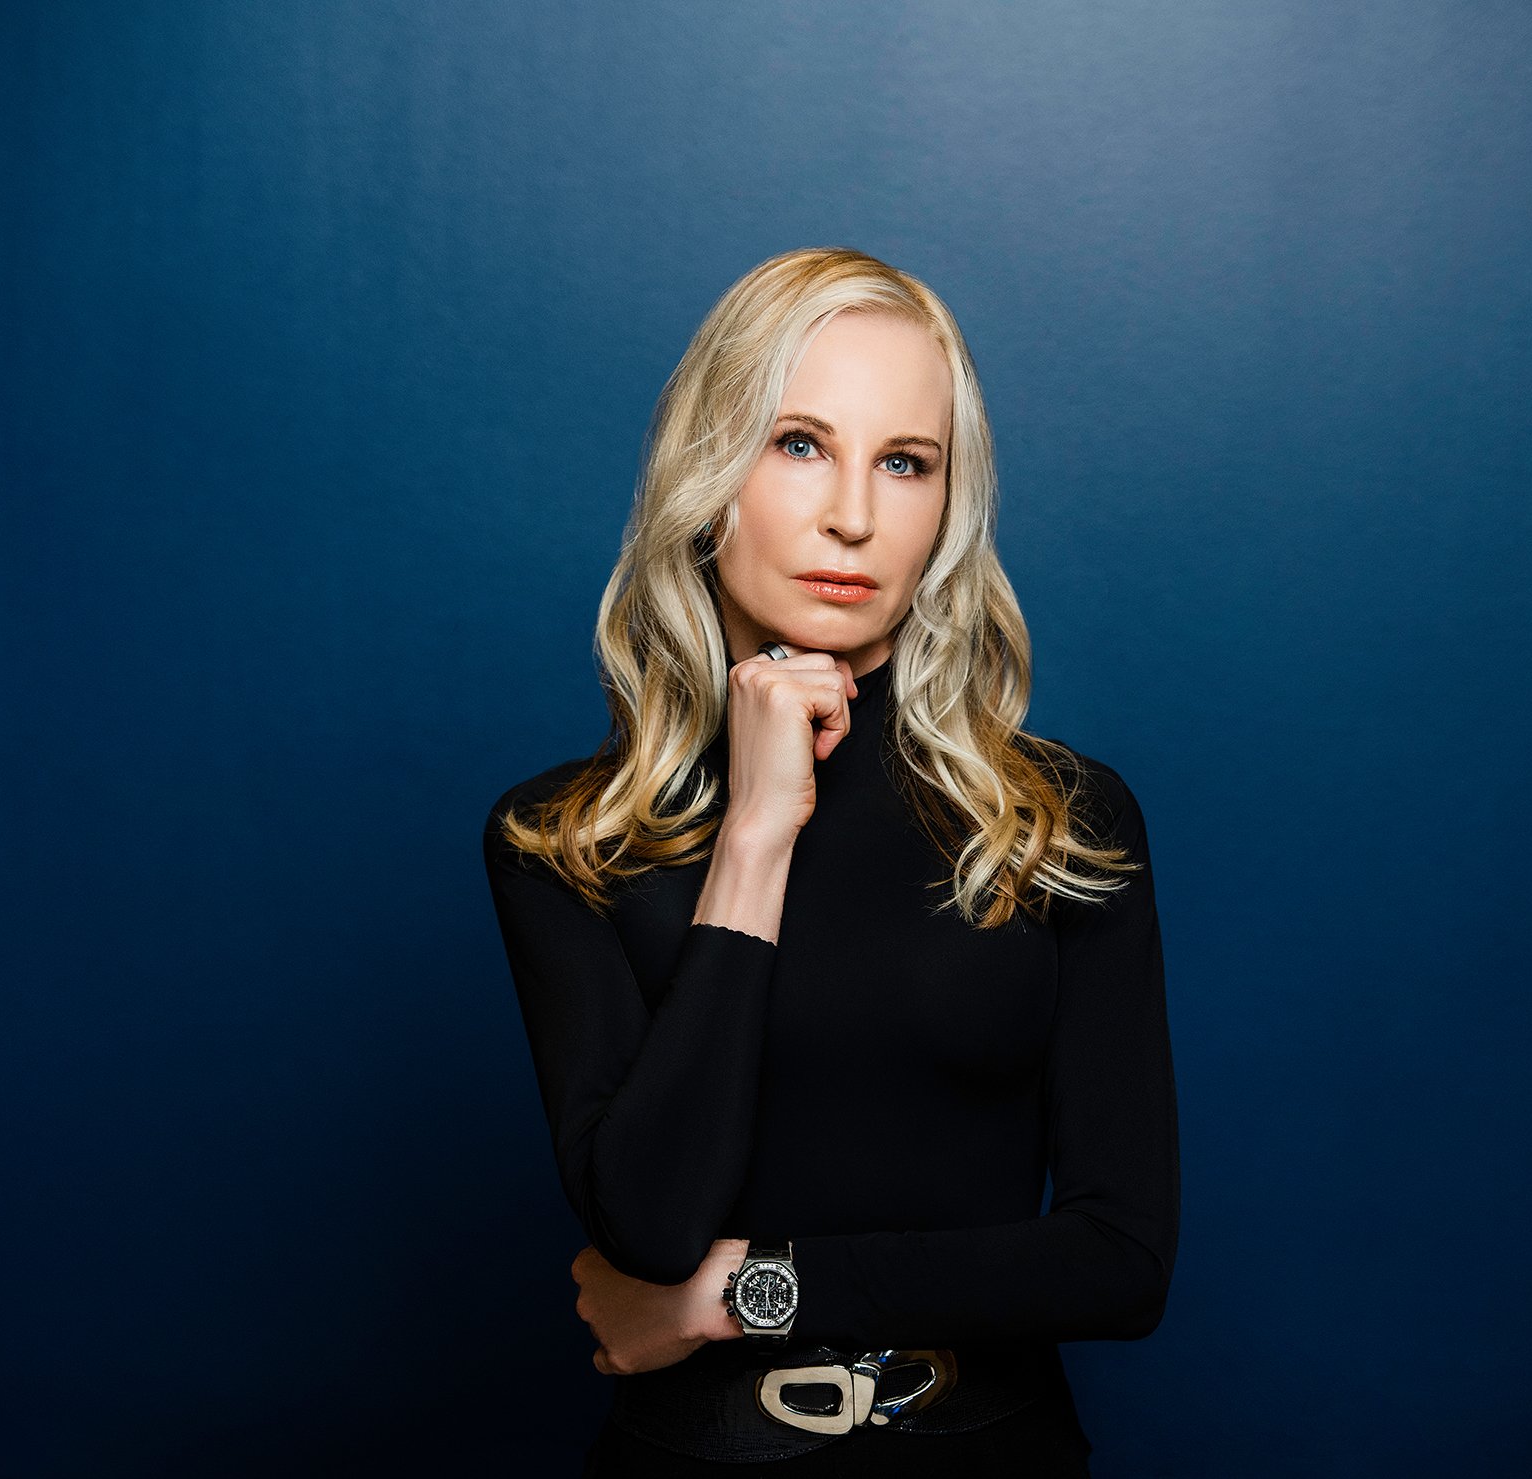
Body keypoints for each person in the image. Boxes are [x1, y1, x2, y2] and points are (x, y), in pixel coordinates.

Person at [481, 246, 1179, 1476]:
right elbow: (647, 1223)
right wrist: (754, 836)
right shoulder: (565, 839)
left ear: (943, 509)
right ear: (709, 474)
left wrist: (750, 1295)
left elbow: (1119, 1261)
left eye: (903, 463)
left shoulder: (1056, 819)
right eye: (798, 443)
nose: (852, 514)